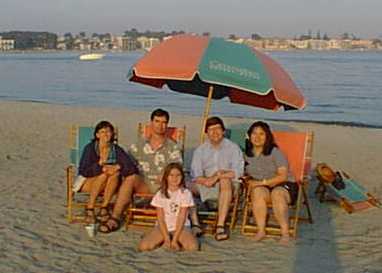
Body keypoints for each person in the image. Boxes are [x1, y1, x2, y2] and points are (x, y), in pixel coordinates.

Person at [99, 109, 201, 234]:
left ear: (167, 125)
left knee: (180, 181)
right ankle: (115, 217)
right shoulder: (138, 145)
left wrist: (166, 175)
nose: (160, 125)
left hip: (166, 186)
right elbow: (127, 163)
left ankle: (191, 220)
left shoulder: (173, 147)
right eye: (157, 121)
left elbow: (177, 168)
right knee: (130, 178)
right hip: (144, 184)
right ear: (151, 123)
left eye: (164, 122)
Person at [244, 121, 298, 245]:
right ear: (249, 135)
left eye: (261, 134)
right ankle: (261, 230)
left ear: (267, 136)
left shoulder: (275, 152)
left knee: (277, 194)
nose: (257, 137)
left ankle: (285, 233)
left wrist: (261, 182)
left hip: (284, 184)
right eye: (254, 133)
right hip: (263, 186)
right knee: (257, 192)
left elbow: (283, 175)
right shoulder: (246, 154)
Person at [74, 120, 139, 224]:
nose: (106, 134)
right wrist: (100, 167)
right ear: (97, 135)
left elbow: (131, 167)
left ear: (112, 134)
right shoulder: (90, 149)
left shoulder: (116, 149)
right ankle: (90, 207)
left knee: (115, 174)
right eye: (103, 131)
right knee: (104, 175)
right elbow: (83, 171)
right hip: (87, 182)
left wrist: (118, 166)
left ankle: (104, 207)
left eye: (109, 131)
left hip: (110, 183)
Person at [191, 116, 244, 241]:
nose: (215, 132)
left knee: (225, 181)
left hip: (229, 186)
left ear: (224, 131)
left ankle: (220, 226)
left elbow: (238, 172)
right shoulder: (200, 150)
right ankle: (195, 223)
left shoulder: (233, 148)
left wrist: (218, 176)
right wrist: (206, 181)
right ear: (206, 133)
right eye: (211, 130)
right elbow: (195, 175)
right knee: (186, 186)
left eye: (218, 129)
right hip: (206, 183)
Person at [138, 163, 199, 251]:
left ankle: (176, 239)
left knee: (193, 247)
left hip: (181, 227)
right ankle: (164, 239)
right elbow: (160, 218)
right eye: (171, 175)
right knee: (144, 247)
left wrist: (174, 240)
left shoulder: (185, 193)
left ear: (182, 177)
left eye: (178, 175)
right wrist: (167, 239)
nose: (175, 178)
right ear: (166, 177)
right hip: (163, 226)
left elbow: (181, 217)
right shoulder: (160, 193)